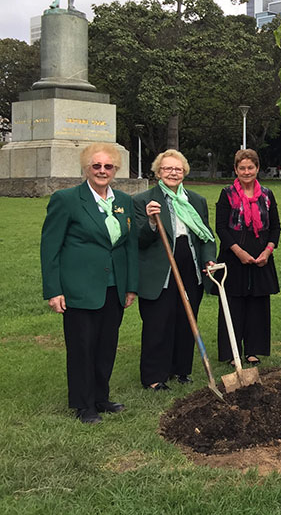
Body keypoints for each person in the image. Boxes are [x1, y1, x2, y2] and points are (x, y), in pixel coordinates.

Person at [40, 143, 137, 424]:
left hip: (113, 287)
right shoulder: (67, 199)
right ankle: (83, 405)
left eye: (108, 166)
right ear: (86, 169)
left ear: (116, 170)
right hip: (79, 288)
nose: (102, 171)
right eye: (97, 166)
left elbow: (128, 246)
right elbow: (50, 248)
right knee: (82, 346)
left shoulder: (123, 201)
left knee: (107, 344)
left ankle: (100, 396)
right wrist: (53, 289)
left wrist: (130, 286)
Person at [133, 150, 217, 390]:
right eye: (167, 169)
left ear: (184, 173)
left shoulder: (196, 201)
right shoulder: (144, 201)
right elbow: (138, 240)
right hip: (160, 270)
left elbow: (206, 236)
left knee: (185, 320)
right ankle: (154, 376)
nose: (173, 172)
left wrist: (209, 259)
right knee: (158, 322)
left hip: (190, 266)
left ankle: (181, 369)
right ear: (158, 172)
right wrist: (150, 222)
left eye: (177, 169)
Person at [215, 149, 280, 366]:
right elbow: (221, 228)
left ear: (257, 168)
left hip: (262, 258)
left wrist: (267, 252)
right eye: (241, 168)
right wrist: (239, 252)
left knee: (257, 306)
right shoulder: (227, 194)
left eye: (250, 167)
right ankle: (233, 352)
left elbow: (276, 227)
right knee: (234, 305)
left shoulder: (268, 195)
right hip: (234, 257)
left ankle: (253, 350)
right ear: (235, 170)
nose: (246, 172)